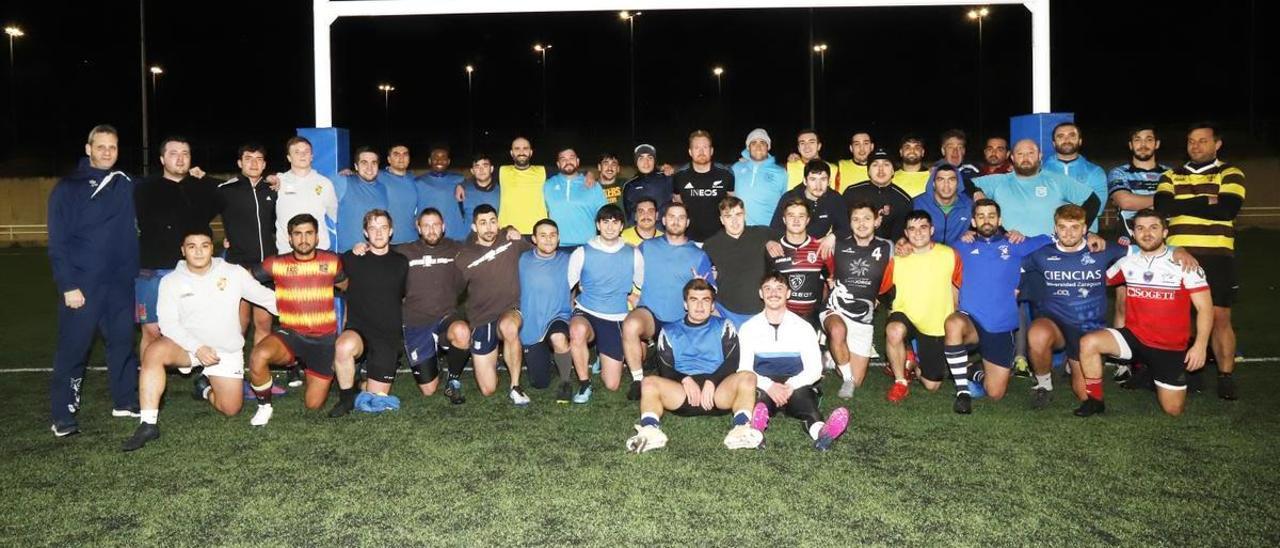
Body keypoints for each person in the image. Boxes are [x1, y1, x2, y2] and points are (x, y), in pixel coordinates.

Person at [121, 229, 278, 451]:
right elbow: (168, 324)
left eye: (204, 245)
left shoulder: (233, 272)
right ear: (183, 250)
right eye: (192, 246)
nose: (198, 251)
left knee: (231, 409)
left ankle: (204, 388)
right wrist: (197, 347)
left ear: (212, 248)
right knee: (154, 352)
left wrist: (301, 310)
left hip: (225, 350)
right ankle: (148, 424)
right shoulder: (170, 281)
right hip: (188, 347)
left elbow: (265, 297)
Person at [1021, 205, 1166, 410]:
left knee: (1085, 396)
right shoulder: (1041, 255)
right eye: (1063, 227)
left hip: (1087, 332)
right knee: (1037, 334)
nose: (1068, 233)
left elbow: (1147, 248)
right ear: (1055, 228)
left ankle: (1073, 365)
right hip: (1055, 325)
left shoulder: (1103, 250)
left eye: (1075, 227)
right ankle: (1043, 385)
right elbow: (1013, 267)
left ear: (1085, 228)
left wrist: (1178, 251)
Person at [47, 124, 142, 436]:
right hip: (83, 286)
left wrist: (193, 177)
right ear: (88, 148)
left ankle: (125, 401)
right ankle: (63, 414)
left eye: (112, 147)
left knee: (123, 344)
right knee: (74, 350)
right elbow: (58, 242)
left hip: (120, 285)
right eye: (100, 146)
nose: (106, 152)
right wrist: (67, 285)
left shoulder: (124, 182)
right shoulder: (67, 188)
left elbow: (159, 193)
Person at [1075, 209, 1212, 417]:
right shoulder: (1127, 261)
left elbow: (1205, 308)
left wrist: (1200, 346)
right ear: (1133, 233)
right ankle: (1095, 400)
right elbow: (1095, 279)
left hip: (1169, 347)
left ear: (1165, 232)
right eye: (1140, 228)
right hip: (1135, 337)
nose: (1146, 233)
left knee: (1173, 410)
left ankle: (1155, 373)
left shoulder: (1184, 264)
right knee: (1089, 342)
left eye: (1153, 227)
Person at [1154, 122, 1245, 400]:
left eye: (1203, 141)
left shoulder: (1230, 172)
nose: (1196, 146)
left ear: (1217, 144)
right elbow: (1163, 207)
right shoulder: (1171, 175)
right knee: (1181, 318)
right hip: (1178, 254)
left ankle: (1225, 376)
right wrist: (1207, 200)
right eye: (1191, 141)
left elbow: (1228, 208)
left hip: (1216, 255)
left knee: (1219, 317)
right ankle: (1192, 373)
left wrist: (1185, 205)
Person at [624, 279, 762, 453]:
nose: (699, 306)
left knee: (748, 377)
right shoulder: (670, 330)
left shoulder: (724, 326)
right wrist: (685, 379)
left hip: (718, 393)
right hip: (683, 395)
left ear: (712, 305)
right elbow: (665, 367)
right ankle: (650, 431)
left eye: (705, 300)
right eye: (694, 300)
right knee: (649, 382)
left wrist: (712, 381)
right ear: (685, 304)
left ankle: (741, 429)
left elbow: (732, 362)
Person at [943, 199, 1053, 412]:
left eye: (991, 215)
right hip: (971, 321)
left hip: (1001, 326)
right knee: (953, 324)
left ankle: (973, 371)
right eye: (981, 216)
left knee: (995, 393)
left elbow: (1053, 238)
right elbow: (931, 250)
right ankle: (962, 392)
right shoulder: (962, 246)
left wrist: (1092, 237)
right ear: (973, 221)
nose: (986, 220)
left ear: (1000, 220)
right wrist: (904, 243)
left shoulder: (1015, 244)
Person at [246, 214, 348, 427]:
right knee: (258, 355)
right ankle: (264, 406)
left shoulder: (331, 261)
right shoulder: (276, 264)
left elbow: (347, 288)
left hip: (324, 341)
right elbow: (243, 278)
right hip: (291, 335)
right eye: (298, 234)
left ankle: (310, 369)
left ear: (317, 237)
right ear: (290, 239)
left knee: (313, 405)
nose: (304, 239)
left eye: (309, 233)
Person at [741, 273, 850, 451]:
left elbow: (814, 368)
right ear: (761, 294)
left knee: (807, 405)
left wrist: (790, 386)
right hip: (764, 385)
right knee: (760, 403)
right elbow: (743, 368)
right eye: (768, 288)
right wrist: (769, 386)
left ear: (788, 293)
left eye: (779, 288)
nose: (773, 293)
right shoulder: (748, 328)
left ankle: (822, 433)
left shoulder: (804, 327)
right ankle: (756, 432)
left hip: (796, 384)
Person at [134, 136, 220, 362]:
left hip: (194, 273)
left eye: (185, 153)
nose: (180, 158)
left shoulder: (204, 188)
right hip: (153, 271)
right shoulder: (143, 189)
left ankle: (210, 377)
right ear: (162, 159)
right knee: (152, 331)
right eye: (173, 153)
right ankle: (148, 379)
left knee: (202, 329)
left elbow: (238, 199)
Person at [621, 202, 715, 400]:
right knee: (630, 325)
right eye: (671, 216)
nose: (676, 221)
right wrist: (629, 295)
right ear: (663, 220)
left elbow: (711, 290)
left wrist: (702, 284)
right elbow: (622, 269)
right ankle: (638, 380)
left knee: (679, 375)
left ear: (687, 222)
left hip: (680, 319)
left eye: (681, 217)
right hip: (651, 313)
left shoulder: (698, 254)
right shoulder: (647, 247)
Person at [454, 204, 534, 405]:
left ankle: (515, 386)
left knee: (509, 327)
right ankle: (494, 360)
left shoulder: (510, 239)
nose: (489, 228)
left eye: (492, 221)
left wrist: (516, 233)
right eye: (483, 223)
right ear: (474, 228)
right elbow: (452, 290)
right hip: (482, 318)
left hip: (509, 309)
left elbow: (538, 253)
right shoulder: (464, 256)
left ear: (498, 222)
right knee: (488, 389)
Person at [332, 210, 409, 416]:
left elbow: (403, 296)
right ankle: (346, 398)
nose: (378, 233)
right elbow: (332, 277)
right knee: (343, 345)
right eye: (373, 228)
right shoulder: (352, 258)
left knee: (377, 398)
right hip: (359, 331)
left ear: (391, 231)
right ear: (365, 233)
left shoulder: (401, 262)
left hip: (387, 336)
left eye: (383, 228)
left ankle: (359, 385)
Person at [882, 211, 963, 404]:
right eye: (912, 228)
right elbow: (884, 290)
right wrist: (889, 317)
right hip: (906, 315)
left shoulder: (949, 254)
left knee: (932, 385)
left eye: (923, 227)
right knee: (894, 331)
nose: (918, 233)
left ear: (932, 230)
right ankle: (900, 381)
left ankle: (910, 361)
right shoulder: (897, 258)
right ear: (906, 233)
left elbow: (956, 287)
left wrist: (953, 318)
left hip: (935, 323)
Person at [394, 208, 472, 403]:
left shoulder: (456, 249)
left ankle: (453, 380)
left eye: (436, 225)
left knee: (462, 332)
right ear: (418, 228)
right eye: (426, 226)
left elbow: (484, 245)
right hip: (416, 322)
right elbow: (379, 254)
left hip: (446, 316)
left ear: (443, 226)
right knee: (429, 390)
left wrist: (508, 232)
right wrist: (362, 247)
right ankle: (435, 350)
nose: (431, 230)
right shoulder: (404, 252)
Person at [568, 205, 644, 397]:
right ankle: (585, 384)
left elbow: (643, 286)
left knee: (612, 384)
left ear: (621, 227)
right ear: (598, 225)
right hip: (587, 310)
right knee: (577, 331)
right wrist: (567, 312)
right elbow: (567, 286)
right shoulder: (582, 252)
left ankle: (602, 357)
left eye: (615, 222)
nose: (610, 227)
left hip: (616, 316)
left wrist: (634, 299)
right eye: (605, 222)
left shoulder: (633, 253)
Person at [822, 202, 894, 399]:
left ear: (876, 222)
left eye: (866, 219)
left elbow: (897, 274)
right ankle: (845, 379)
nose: (861, 224)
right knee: (837, 331)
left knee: (858, 379)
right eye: (856, 219)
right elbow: (817, 264)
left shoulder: (888, 247)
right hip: (835, 309)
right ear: (850, 223)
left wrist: (880, 296)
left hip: (863, 315)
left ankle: (831, 355)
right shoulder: (838, 244)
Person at [213, 143, 277, 345]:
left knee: (263, 324)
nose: (254, 163)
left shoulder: (273, 190)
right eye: (248, 158)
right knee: (238, 324)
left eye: (258, 159)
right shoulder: (226, 190)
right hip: (237, 266)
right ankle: (230, 373)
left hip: (266, 267)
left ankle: (259, 374)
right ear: (240, 162)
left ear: (265, 164)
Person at [971, 139, 1100, 237]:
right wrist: (976, 192)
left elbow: (1093, 200)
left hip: (1047, 250)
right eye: (1020, 154)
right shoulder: (999, 180)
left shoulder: (1056, 180)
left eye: (1031, 153)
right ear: (1012, 158)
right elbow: (962, 183)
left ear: (1039, 156)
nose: (1025, 158)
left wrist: (1082, 231)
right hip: (1010, 250)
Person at [517, 219, 578, 402]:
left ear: (558, 238)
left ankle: (566, 382)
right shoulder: (522, 260)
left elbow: (584, 280)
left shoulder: (568, 260)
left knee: (558, 337)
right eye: (543, 235)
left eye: (552, 235)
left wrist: (574, 302)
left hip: (558, 315)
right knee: (540, 383)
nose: (548, 240)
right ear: (534, 239)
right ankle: (551, 359)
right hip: (531, 322)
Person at [703, 196, 777, 328]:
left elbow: (794, 236)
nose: (734, 221)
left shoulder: (762, 233)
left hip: (760, 313)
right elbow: (705, 282)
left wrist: (771, 241)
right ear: (721, 220)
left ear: (744, 215)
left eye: (738, 214)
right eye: (728, 216)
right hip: (725, 312)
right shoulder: (710, 245)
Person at [769, 199, 827, 329]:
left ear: (807, 220)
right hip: (781, 318)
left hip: (811, 319)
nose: (796, 220)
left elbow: (831, 281)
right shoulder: (773, 249)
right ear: (784, 220)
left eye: (801, 216)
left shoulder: (820, 248)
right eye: (791, 216)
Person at [274, 136, 338, 252]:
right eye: (297, 152)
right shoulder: (278, 181)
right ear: (289, 157)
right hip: (286, 252)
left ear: (312, 156)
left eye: (306, 152)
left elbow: (334, 215)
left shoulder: (325, 183)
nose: (302, 155)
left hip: (319, 251)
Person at [1043, 122, 1108, 231]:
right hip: (1047, 232)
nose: (1066, 140)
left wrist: (1076, 231)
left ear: (1080, 141)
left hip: (1087, 234)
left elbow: (1097, 207)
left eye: (1072, 135)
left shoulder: (1095, 171)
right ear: (1054, 143)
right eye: (1060, 136)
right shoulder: (1041, 171)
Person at [672, 130, 736, 241]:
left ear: (711, 151)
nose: (701, 152)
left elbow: (732, 202)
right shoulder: (679, 176)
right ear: (690, 152)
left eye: (705, 147)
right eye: (696, 148)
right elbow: (678, 202)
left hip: (719, 239)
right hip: (689, 239)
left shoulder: (726, 174)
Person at [1108, 125, 1168, 237]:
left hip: (1165, 241)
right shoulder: (1118, 173)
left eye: (1149, 139)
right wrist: (1164, 199)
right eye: (1137, 140)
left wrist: (1138, 201)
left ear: (1157, 144)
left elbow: (1178, 203)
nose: (1143, 145)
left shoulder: (1170, 173)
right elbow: (1125, 202)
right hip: (1129, 242)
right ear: (1131, 145)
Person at [843, 148, 913, 242]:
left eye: (886, 164)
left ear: (893, 171)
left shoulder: (903, 200)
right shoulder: (852, 193)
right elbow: (841, 225)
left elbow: (899, 237)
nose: (881, 169)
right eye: (875, 165)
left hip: (887, 251)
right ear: (868, 171)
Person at [543, 148, 607, 247]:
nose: (568, 162)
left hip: (587, 245)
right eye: (563, 159)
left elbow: (604, 215)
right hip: (556, 246)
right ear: (558, 164)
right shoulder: (548, 185)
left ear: (577, 161)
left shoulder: (593, 185)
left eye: (571, 158)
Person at [770, 160, 849, 239]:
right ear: (805, 181)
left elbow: (845, 229)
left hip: (820, 245)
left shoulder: (835, 198)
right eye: (813, 179)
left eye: (823, 179)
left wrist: (832, 237)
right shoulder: (789, 198)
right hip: (791, 243)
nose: (818, 185)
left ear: (829, 181)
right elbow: (774, 229)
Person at [332, 146, 389, 253]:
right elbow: (318, 186)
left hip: (375, 253)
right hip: (349, 253)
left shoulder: (382, 188)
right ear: (356, 166)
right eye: (364, 163)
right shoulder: (343, 182)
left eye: (374, 163)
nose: (369, 167)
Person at [731, 128, 788, 227]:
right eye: (753, 143)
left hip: (769, 232)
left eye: (762, 142)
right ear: (748, 147)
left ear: (768, 147)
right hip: (740, 231)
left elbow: (787, 204)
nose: (758, 146)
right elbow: (728, 195)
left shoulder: (781, 172)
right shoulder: (736, 168)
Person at [415, 146, 469, 241]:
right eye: (435, 157)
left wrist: (463, 184)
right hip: (430, 236)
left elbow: (473, 185)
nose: (439, 160)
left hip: (456, 235)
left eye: (443, 157)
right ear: (429, 161)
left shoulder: (459, 179)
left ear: (448, 161)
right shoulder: (418, 182)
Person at [497, 136, 549, 235]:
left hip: (537, 233)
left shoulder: (543, 171)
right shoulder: (502, 171)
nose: (521, 152)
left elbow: (568, 172)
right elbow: (481, 176)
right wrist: (462, 185)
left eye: (525, 148)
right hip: (508, 232)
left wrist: (587, 174)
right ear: (511, 153)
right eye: (517, 149)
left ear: (531, 152)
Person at [912, 164, 973, 245]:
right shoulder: (917, 204)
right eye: (941, 179)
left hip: (958, 254)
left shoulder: (968, 205)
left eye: (951, 179)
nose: (946, 185)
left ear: (958, 184)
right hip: (926, 254)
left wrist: (972, 234)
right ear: (933, 184)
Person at [380, 144, 426, 245]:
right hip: (387, 242)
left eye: (405, 154)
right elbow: (361, 178)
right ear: (389, 159)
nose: (401, 158)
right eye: (396, 154)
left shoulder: (415, 180)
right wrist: (347, 173)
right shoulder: (378, 176)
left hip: (412, 240)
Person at [621, 144, 673, 227]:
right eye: (641, 158)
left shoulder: (667, 178)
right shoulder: (629, 185)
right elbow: (629, 217)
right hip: (640, 236)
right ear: (636, 162)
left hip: (665, 235)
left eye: (650, 158)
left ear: (655, 161)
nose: (646, 162)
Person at [460, 154, 501, 226]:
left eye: (485, 166)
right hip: (467, 236)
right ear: (472, 171)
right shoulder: (463, 190)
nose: (481, 170)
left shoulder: (501, 192)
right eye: (477, 166)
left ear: (491, 169)